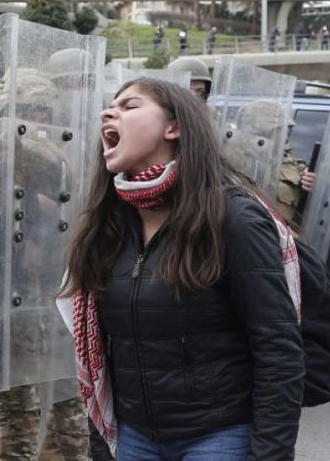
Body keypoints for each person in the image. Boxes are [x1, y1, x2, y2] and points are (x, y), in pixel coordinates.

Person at [61, 78, 305, 459]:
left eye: (130, 106)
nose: (110, 112)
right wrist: (103, 445)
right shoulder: (105, 226)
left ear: (173, 127)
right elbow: (98, 357)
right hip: (133, 437)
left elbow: (279, 350)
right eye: (110, 106)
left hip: (220, 436)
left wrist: (269, 454)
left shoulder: (233, 218)